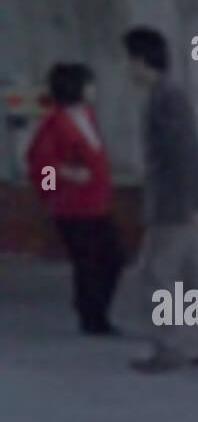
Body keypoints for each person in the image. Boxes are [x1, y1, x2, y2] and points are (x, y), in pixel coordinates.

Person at [121, 26, 198, 372]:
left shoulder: (164, 98)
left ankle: (168, 348)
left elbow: (186, 154)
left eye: (129, 61)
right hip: (184, 205)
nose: (128, 69)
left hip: (173, 207)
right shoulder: (171, 95)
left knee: (156, 277)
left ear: (141, 61)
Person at [24, 63, 125, 335]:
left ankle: (93, 309)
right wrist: (62, 179)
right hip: (72, 207)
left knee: (112, 258)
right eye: (88, 84)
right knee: (89, 262)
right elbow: (40, 165)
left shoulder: (87, 116)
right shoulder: (54, 123)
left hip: (97, 202)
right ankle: (92, 316)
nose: (93, 90)